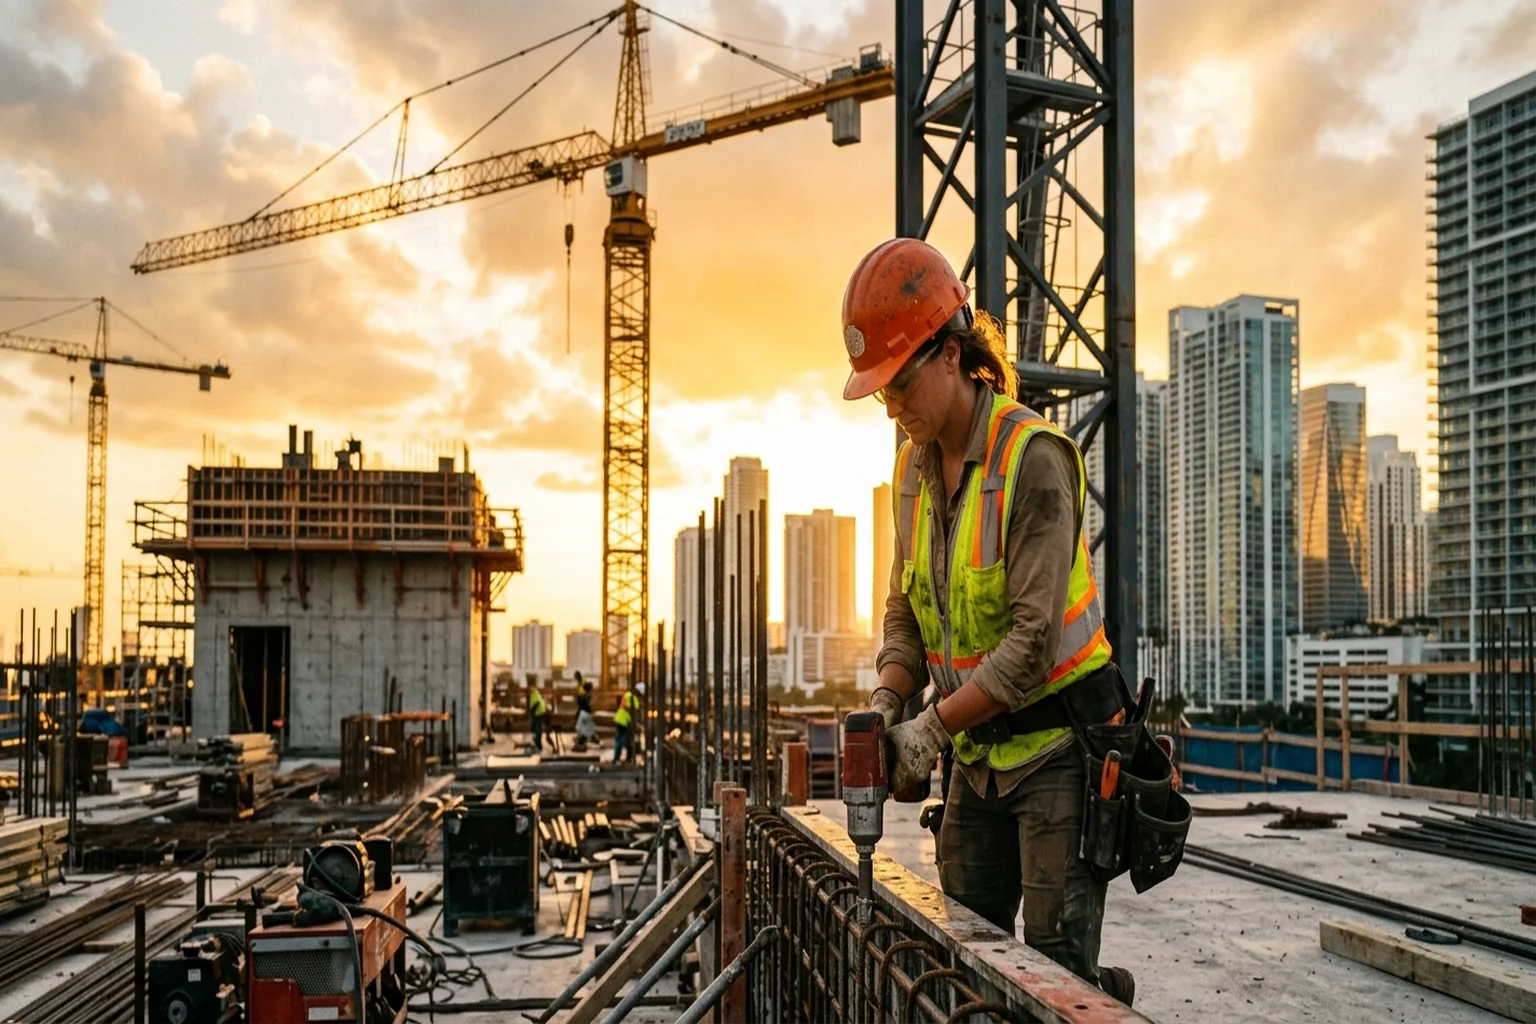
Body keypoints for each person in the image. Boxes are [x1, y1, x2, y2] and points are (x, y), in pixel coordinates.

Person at [843, 238, 1136, 1006]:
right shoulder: (910, 471)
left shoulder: (1031, 459)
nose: (895, 406)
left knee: (1054, 972)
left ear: (949, 353)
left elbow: (1031, 647)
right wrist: (887, 703)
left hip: (1058, 754)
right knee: (964, 953)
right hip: (977, 755)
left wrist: (928, 730)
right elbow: (906, 608)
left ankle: (1098, 992)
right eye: (882, 394)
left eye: (901, 383)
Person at [613, 683, 642, 764]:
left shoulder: (627, 694)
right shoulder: (634, 699)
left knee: (625, 740)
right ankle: (618, 758)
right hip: (624, 722)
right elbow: (634, 711)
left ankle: (625, 758)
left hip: (620, 719)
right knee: (622, 740)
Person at [528, 682, 548, 754]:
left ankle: (538, 746)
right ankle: (537, 745)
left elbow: (537, 703)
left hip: (538, 714)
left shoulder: (535, 693)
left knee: (537, 730)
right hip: (537, 714)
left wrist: (532, 710)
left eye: (531, 687)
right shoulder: (535, 694)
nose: (530, 688)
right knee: (536, 730)